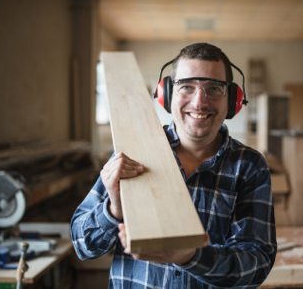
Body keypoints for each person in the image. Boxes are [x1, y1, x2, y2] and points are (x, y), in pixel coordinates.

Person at [71, 43, 277, 288]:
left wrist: (191, 257)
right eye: (186, 87)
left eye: (214, 88)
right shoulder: (132, 152)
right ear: (166, 95)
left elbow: (256, 264)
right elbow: (82, 247)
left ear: (232, 100)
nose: (199, 102)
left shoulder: (249, 166)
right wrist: (114, 210)